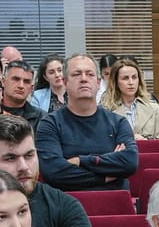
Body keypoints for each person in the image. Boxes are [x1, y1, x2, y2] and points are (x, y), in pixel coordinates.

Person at [37, 53, 139, 192]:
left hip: (113, 200)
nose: (84, 79)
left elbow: (129, 162)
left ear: (98, 83)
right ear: (65, 83)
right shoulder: (50, 124)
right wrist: (105, 175)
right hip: (67, 201)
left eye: (90, 74)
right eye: (76, 74)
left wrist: (80, 161)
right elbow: (54, 172)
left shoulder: (118, 122)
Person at [102, 56, 159, 142]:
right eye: (125, 78)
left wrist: (145, 142)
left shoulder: (153, 108)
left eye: (134, 77)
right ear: (116, 82)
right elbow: (102, 144)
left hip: (146, 150)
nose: (131, 82)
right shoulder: (105, 110)